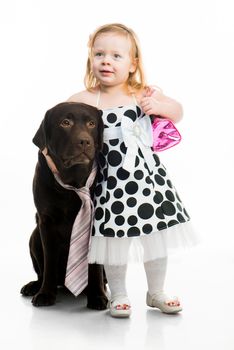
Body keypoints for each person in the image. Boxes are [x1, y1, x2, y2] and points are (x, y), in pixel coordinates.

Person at [63, 23, 198, 317]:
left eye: (116, 55)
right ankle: (119, 293)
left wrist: (160, 104)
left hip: (148, 180)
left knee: (155, 237)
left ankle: (156, 291)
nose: (106, 61)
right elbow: (62, 119)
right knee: (114, 240)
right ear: (91, 59)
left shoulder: (141, 95)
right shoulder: (85, 99)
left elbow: (179, 112)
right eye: (99, 54)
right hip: (111, 184)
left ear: (133, 63)